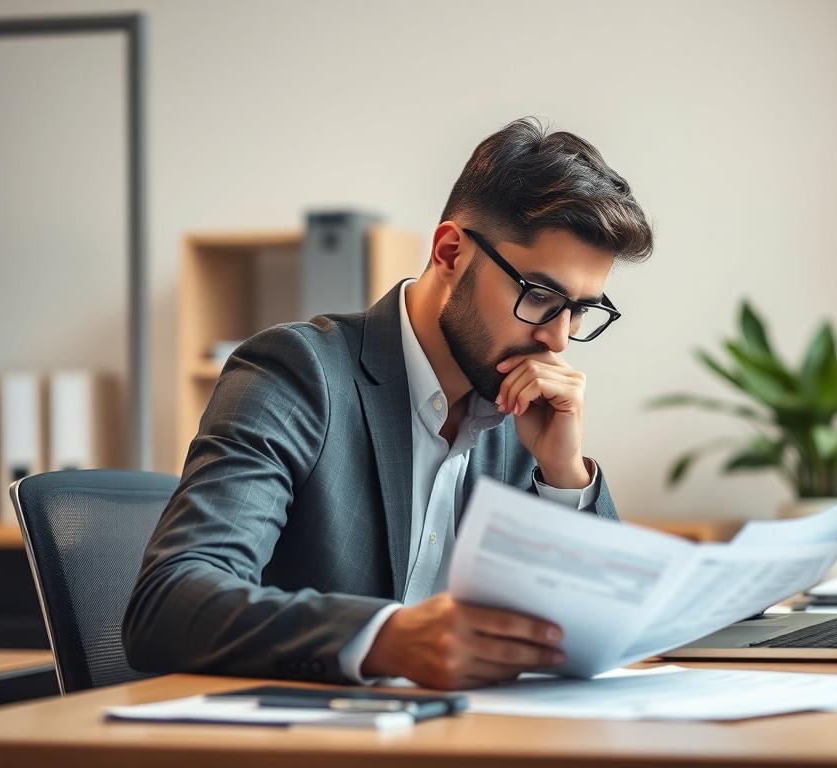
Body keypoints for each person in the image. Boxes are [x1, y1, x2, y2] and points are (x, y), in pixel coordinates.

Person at [123, 118, 653, 690]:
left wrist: (564, 475)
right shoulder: (298, 373)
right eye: (541, 296)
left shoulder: (522, 411)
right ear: (450, 251)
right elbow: (169, 602)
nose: (558, 339)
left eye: (580, 310)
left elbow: (608, 628)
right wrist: (386, 638)